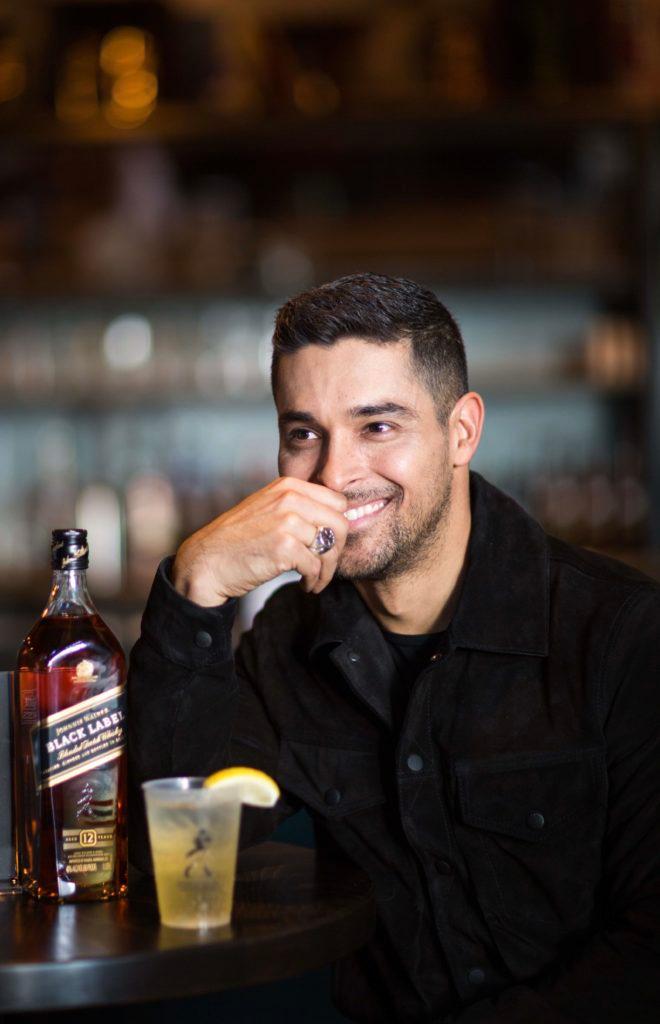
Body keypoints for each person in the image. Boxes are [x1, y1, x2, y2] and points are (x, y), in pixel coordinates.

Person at [128, 273, 660, 1023]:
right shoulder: (288, 638)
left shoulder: (622, 634)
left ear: (462, 432)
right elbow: (172, 855)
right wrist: (194, 586)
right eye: (303, 433)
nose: (337, 476)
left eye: (378, 426)